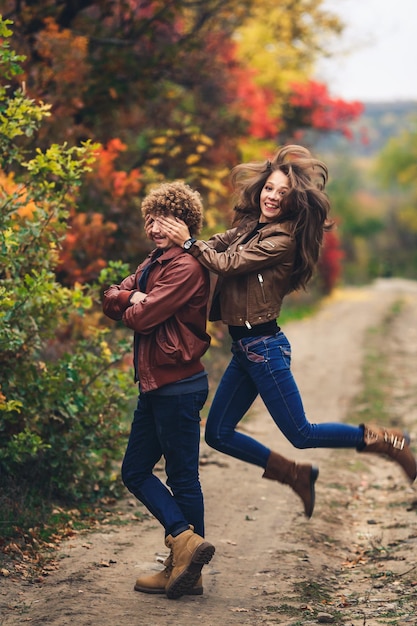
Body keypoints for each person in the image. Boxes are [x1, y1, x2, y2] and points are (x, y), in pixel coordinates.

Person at [156, 145, 417, 520]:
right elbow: (216, 245)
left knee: (302, 433)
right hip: (245, 350)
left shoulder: (281, 240)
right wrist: (178, 247)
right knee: (217, 434)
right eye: (269, 189)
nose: (273, 197)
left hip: (264, 347)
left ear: (294, 201)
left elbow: (227, 264)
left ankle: (386, 441)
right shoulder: (251, 226)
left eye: (283, 193)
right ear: (260, 189)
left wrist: (188, 243)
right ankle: (294, 474)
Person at [102, 181, 215, 600]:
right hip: (154, 385)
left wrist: (134, 303)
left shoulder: (185, 267)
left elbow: (141, 320)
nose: (154, 227)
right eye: (150, 219)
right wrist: (132, 293)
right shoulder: (154, 262)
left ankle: (186, 569)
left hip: (178, 384)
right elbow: (111, 298)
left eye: (164, 219)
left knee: (183, 477)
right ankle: (185, 544)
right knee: (135, 470)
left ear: (184, 222)